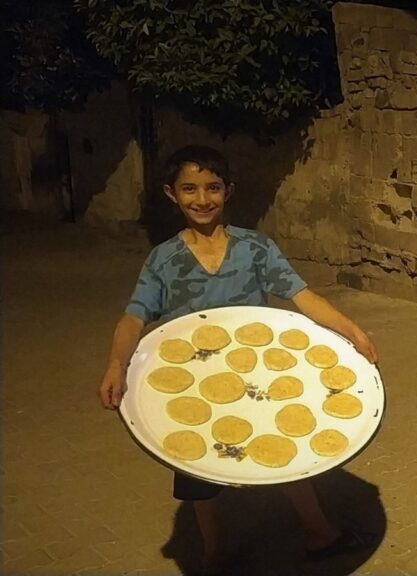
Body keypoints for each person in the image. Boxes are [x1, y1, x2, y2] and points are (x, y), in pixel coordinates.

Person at [97, 145, 379, 574]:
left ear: (227, 191)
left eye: (212, 188)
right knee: (197, 476)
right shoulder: (164, 259)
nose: (202, 199)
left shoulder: (255, 248)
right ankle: (214, 553)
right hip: (191, 385)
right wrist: (117, 363)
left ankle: (320, 533)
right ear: (171, 194)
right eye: (189, 189)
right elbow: (133, 316)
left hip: (255, 381)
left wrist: (350, 328)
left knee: (285, 459)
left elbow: (302, 295)